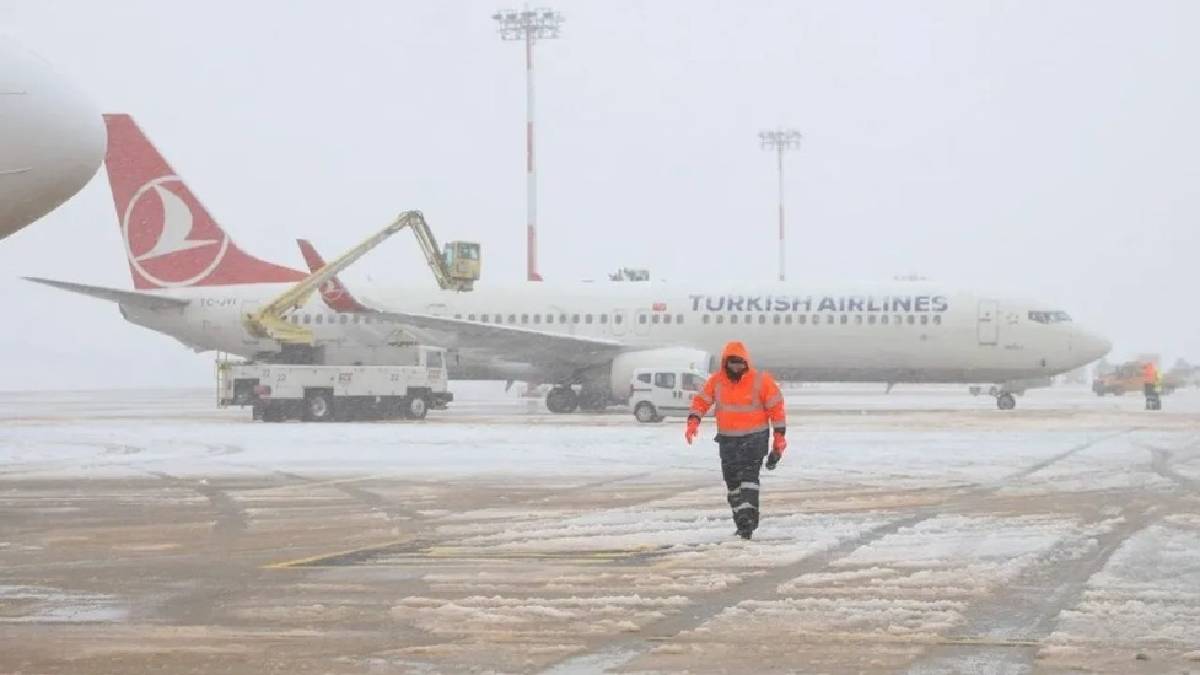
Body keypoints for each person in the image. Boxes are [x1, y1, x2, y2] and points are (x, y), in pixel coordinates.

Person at [685, 341, 787, 540]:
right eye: (732, 364)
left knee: (749, 481)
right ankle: (741, 519)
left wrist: (779, 439)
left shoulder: (761, 381)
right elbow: (701, 401)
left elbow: (777, 411)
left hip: (754, 440)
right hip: (728, 441)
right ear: (726, 363)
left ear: (746, 363)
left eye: (740, 364)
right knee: (733, 484)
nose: (736, 368)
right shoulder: (717, 381)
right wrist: (693, 421)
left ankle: (747, 520)